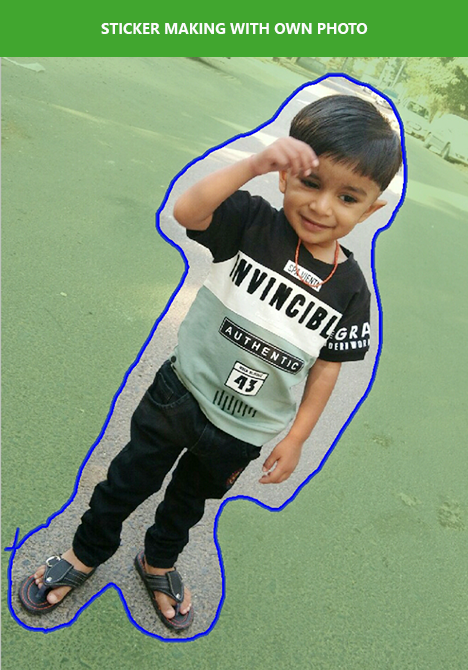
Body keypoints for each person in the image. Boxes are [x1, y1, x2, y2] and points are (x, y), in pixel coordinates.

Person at [18, 94, 402, 632]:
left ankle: (158, 561)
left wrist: (296, 438)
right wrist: (252, 164)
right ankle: (85, 552)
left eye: (347, 197)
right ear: (285, 176)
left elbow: (327, 367)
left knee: (189, 502)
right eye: (311, 182)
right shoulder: (251, 222)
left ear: (371, 209)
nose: (321, 207)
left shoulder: (352, 290)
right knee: (127, 480)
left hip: (244, 430)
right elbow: (188, 212)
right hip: (181, 393)